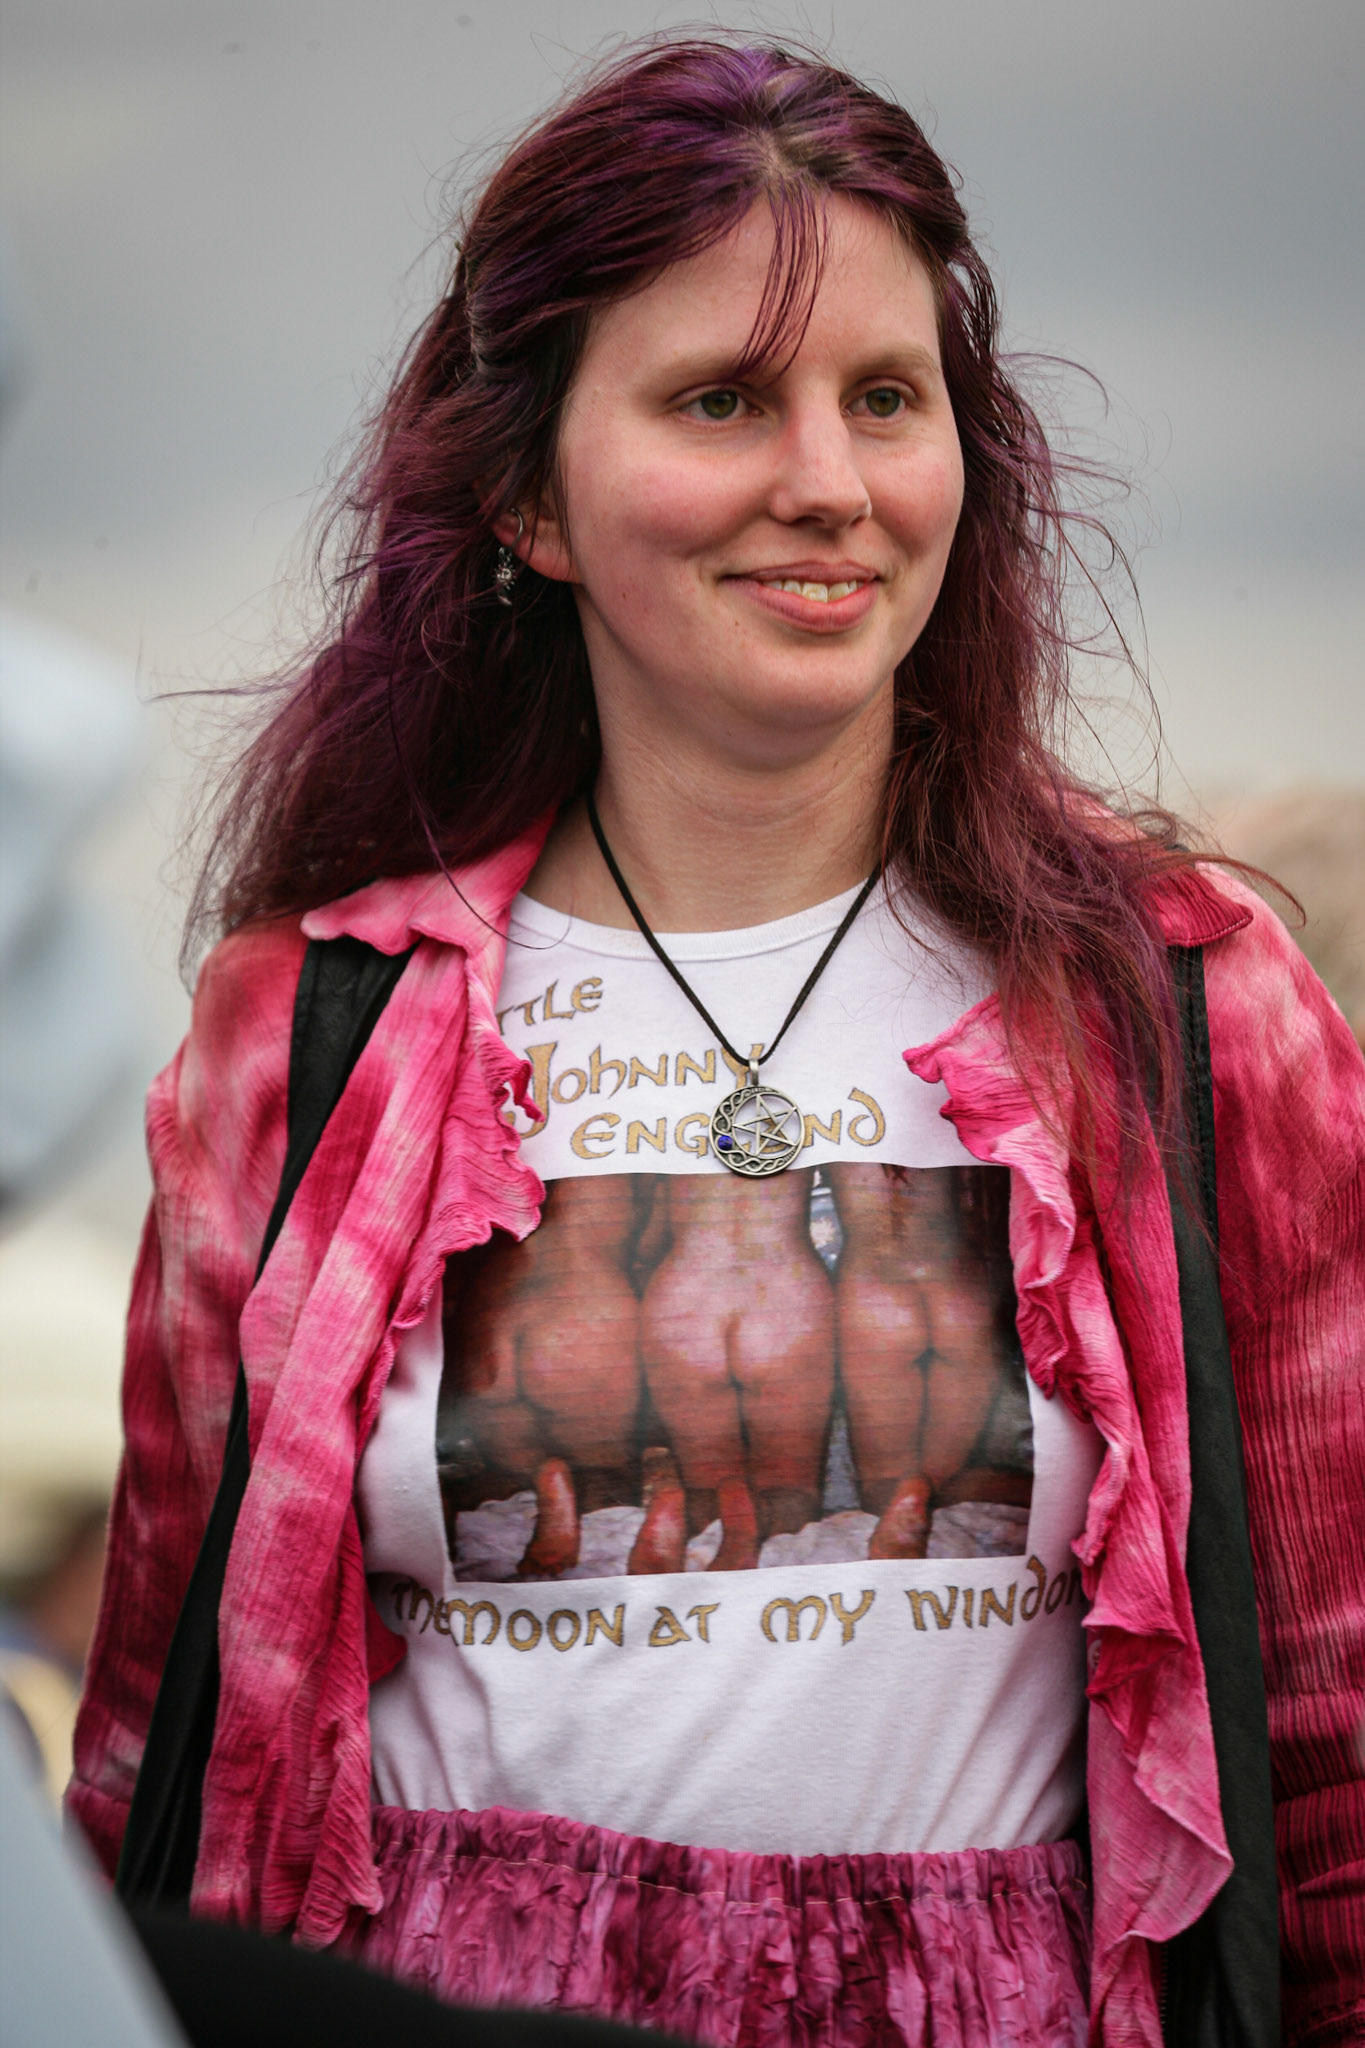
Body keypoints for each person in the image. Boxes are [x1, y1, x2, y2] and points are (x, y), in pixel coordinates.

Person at [68, 36, 1364, 2048]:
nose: (826, 480)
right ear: (528, 496)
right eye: (719, 400)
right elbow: (155, 1750)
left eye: (884, 397)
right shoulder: (309, 1028)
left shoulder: (1181, 999)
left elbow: (1334, 1741)